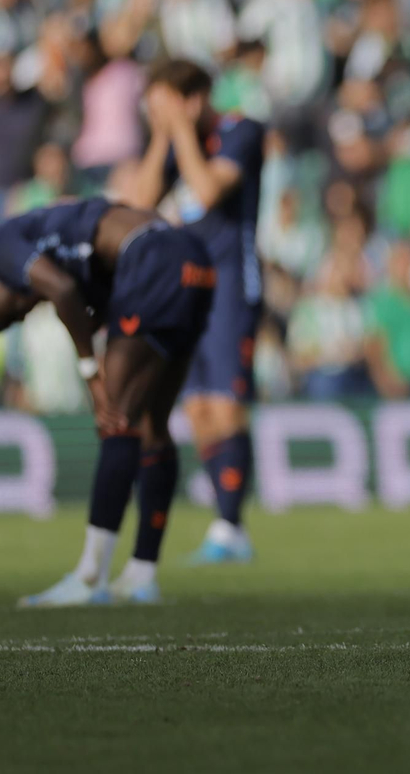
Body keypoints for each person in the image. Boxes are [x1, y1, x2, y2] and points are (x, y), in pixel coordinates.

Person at [0, 198, 215, 605]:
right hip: (192, 257)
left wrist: (91, 374)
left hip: (150, 255)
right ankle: (141, 574)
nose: (23, 314)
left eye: (11, 316)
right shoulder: (56, 241)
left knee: (116, 420)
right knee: (152, 425)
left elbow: (62, 289)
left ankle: (90, 577)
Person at [125, 60, 265, 565]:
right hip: (187, 289)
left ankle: (231, 526)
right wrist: (163, 136)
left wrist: (181, 129)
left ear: (195, 98)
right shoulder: (172, 145)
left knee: (227, 405)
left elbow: (207, 192)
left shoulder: (240, 131)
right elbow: (138, 204)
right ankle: (226, 525)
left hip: (231, 287)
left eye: (166, 105)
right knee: (199, 409)